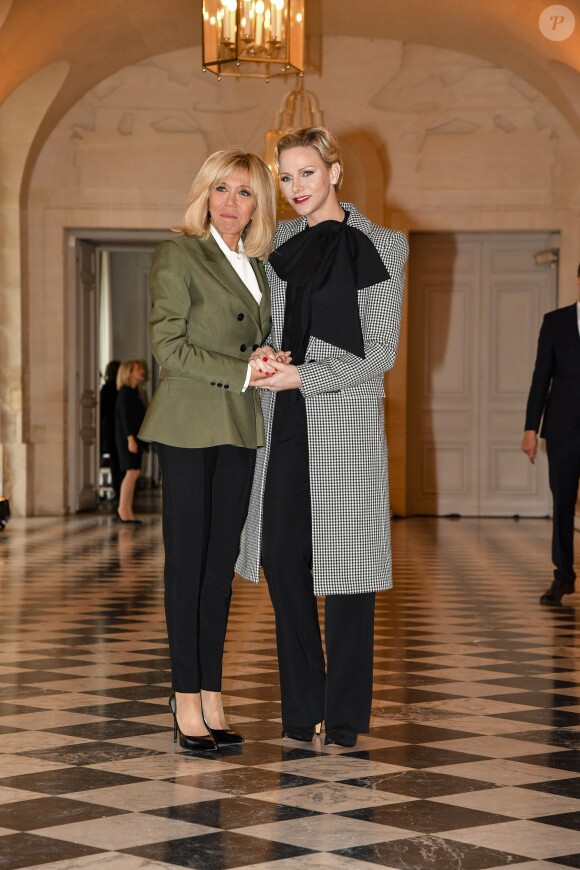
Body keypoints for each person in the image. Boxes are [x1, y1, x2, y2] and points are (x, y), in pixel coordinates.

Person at [236, 126, 408, 749]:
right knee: (283, 563)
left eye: (306, 173)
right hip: (282, 423)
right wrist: (265, 354)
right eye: (285, 177)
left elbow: (381, 350)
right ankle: (300, 703)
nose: (294, 188)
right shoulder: (276, 240)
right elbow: (265, 320)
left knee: (347, 574)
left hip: (344, 422)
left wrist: (302, 375)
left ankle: (341, 718)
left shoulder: (384, 245)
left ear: (335, 172)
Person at [139, 150, 276, 752]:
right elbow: (168, 347)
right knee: (187, 566)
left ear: (257, 205)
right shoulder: (180, 254)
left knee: (219, 568)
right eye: (221, 188)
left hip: (240, 426)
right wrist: (246, 370)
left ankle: (212, 695)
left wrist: (267, 364)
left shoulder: (261, 267)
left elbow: (251, 340)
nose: (230, 202)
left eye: (244, 193)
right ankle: (185, 697)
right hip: (189, 424)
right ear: (204, 193)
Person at [521, 262, 580, 606]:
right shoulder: (555, 322)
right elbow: (541, 376)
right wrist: (531, 427)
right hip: (562, 428)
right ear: (578, 278)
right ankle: (563, 577)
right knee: (562, 502)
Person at [115, 360, 147, 523]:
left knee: (134, 472)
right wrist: (130, 439)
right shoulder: (125, 392)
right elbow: (125, 419)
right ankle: (123, 509)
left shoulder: (134, 393)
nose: (142, 371)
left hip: (133, 438)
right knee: (131, 472)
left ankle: (127, 509)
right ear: (129, 372)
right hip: (128, 438)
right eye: (137, 369)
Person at [100, 360, 121, 502]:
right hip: (119, 429)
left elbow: (102, 411)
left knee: (114, 460)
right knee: (121, 461)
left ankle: (117, 489)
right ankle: (121, 490)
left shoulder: (106, 388)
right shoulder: (121, 388)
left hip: (109, 428)